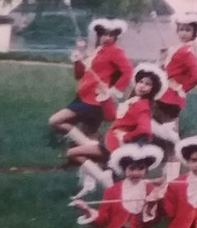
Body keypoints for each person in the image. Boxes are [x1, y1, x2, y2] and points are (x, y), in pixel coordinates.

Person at [64, 63, 167, 198]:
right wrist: (105, 98)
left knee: (73, 153)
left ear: (152, 90)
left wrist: (125, 137)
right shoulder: (133, 101)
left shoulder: (142, 107)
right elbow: (111, 117)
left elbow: (145, 130)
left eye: (148, 84)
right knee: (74, 152)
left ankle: (103, 179)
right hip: (109, 144)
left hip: (116, 146)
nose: (142, 86)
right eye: (141, 82)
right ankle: (103, 178)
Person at [48, 18, 131, 148]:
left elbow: (128, 70)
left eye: (111, 35)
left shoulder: (115, 51)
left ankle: (88, 145)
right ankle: (94, 153)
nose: (107, 37)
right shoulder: (97, 51)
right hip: (83, 97)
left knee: (55, 121)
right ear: (99, 35)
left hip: (93, 100)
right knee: (89, 134)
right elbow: (79, 75)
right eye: (104, 34)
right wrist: (77, 60)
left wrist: (114, 90)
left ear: (116, 37)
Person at [156, 12, 197, 127]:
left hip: (170, 98)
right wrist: (163, 57)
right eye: (181, 29)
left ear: (194, 33)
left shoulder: (188, 52)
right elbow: (166, 70)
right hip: (163, 93)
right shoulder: (177, 49)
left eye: (188, 30)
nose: (183, 33)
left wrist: (181, 88)